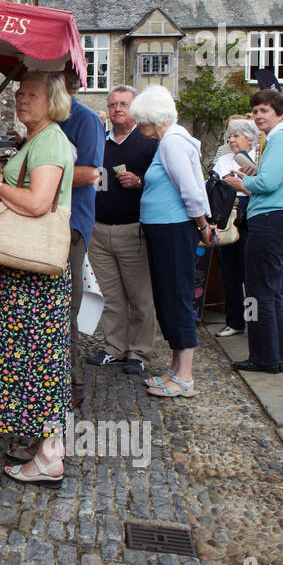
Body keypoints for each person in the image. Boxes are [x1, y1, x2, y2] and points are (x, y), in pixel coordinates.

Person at [0, 70, 75, 485]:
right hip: (24, 273)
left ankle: (51, 457)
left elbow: (38, 203)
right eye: (20, 94)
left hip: (33, 276)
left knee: (42, 361)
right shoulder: (39, 139)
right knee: (30, 358)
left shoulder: (51, 140)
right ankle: (42, 443)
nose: (22, 101)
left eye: (32, 95)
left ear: (52, 101)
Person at [131, 85, 215, 397]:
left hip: (174, 230)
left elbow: (192, 191)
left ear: (152, 118)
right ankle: (177, 368)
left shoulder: (173, 143)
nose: (139, 127)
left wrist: (202, 224)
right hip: (165, 229)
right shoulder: (169, 142)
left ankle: (185, 375)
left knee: (176, 298)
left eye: (141, 121)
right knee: (168, 298)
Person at [222, 89, 283, 374]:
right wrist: (253, 174)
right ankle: (271, 355)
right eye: (255, 111)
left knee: (258, 293)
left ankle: (263, 356)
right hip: (275, 219)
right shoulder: (279, 138)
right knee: (264, 292)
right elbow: (271, 178)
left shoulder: (281, 138)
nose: (257, 116)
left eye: (264, 111)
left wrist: (242, 184)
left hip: (271, 220)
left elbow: (269, 183)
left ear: (280, 113)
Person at [86, 85, 157, 376]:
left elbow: (166, 184)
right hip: (99, 229)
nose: (117, 109)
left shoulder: (148, 142)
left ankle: (139, 352)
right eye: (113, 103)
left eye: (124, 104)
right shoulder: (99, 142)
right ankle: (114, 347)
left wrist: (140, 182)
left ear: (135, 108)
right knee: (111, 296)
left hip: (134, 229)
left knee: (140, 297)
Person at [57, 67, 105, 406]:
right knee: (52, 306)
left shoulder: (84, 119)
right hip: (50, 222)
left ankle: (72, 385)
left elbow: (90, 174)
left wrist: (38, 173)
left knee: (66, 306)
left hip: (72, 226)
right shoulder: (53, 119)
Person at [211, 118, 259, 338]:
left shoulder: (260, 157)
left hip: (252, 213)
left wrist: (245, 182)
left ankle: (255, 319)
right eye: (229, 136)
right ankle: (235, 320)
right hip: (228, 213)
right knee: (230, 271)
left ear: (250, 138)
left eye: (236, 136)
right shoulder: (224, 160)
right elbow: (214, 186)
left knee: (253, 273)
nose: (231, 140)